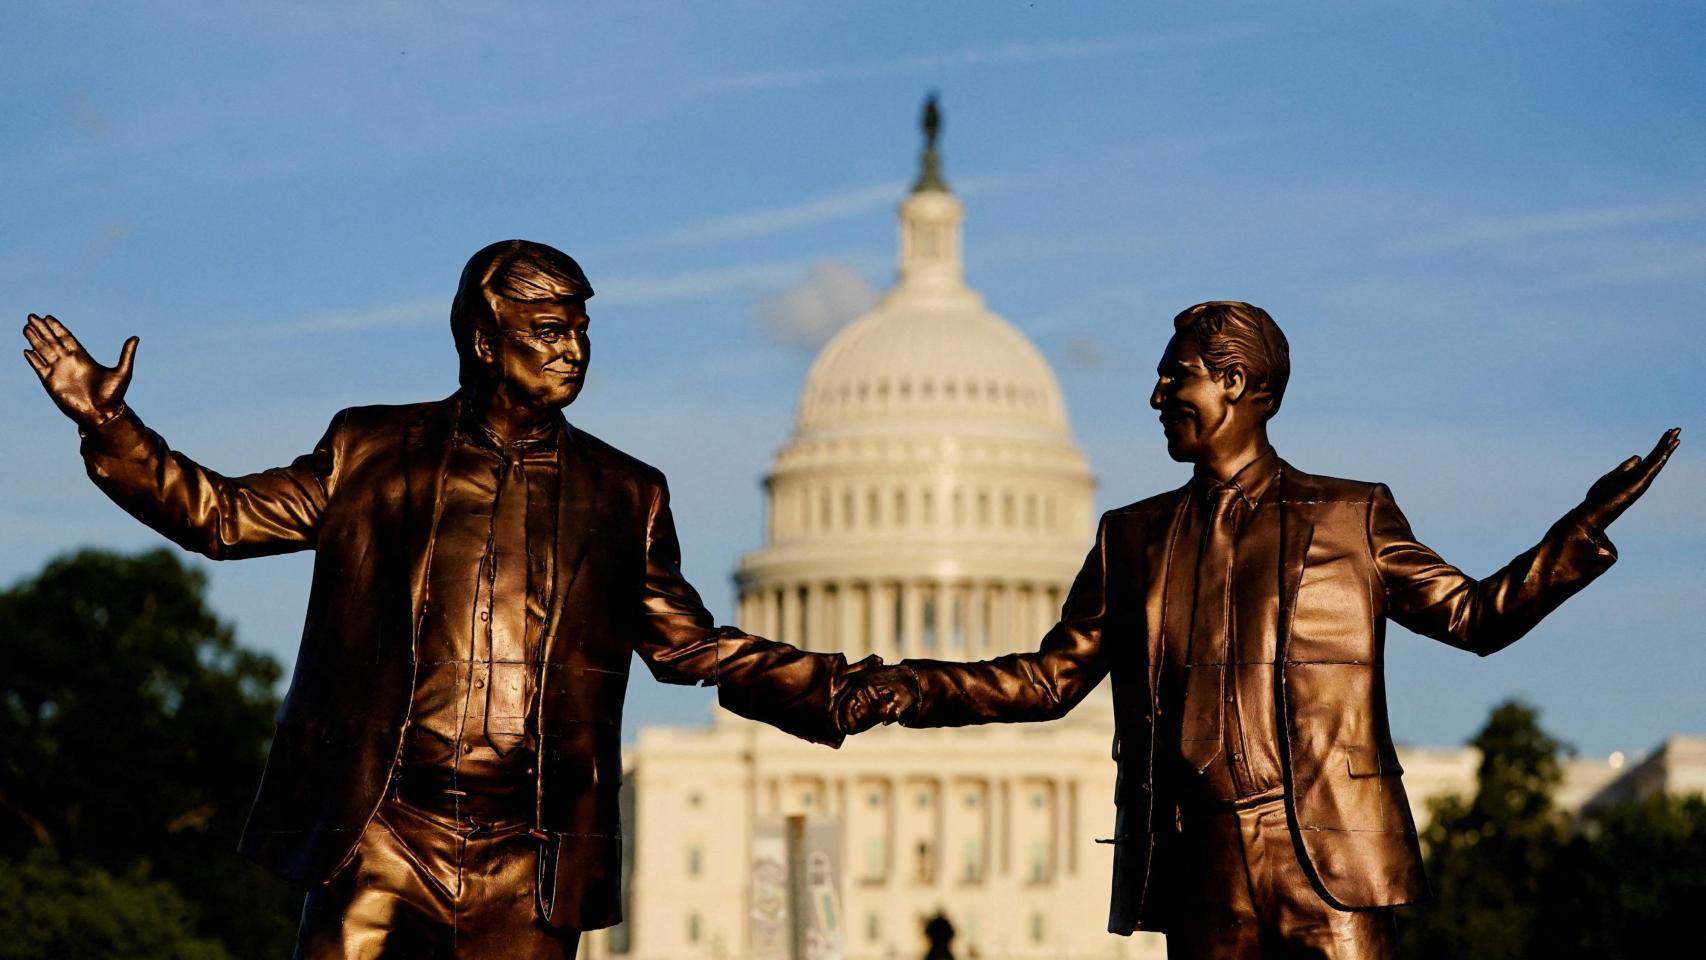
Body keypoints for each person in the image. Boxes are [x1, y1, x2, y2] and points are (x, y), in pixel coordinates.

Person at [21, 239, 870, 959]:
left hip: (526, 864)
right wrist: (111, 429)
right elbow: (223, 516)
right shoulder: (373, 451)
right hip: (385, 835)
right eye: (547, 330)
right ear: (483, 340)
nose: (572, 349)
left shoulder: (625, 494)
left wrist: (871, 689)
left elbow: (697, 650)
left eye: (579, 330)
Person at [834, 301, 1678, 959]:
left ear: (1235, 384)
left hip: (1329, 859)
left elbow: (1474, 618)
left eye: (1178, 379)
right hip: (1200, 861)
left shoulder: (1353, 516)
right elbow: (1048, 680)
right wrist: (908, 686)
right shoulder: (1130, 537)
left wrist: (1573, 539)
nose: (1158, 396)